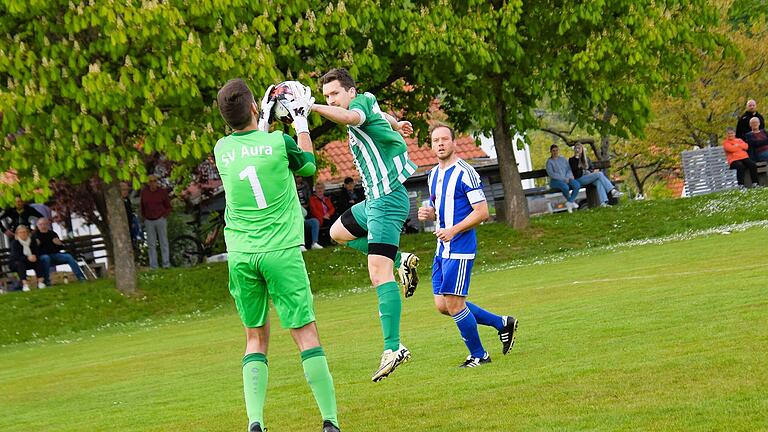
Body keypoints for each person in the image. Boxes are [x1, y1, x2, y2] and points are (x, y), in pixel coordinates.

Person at [216, 78, 339, 432]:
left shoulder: (221, 148)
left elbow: (252, 145)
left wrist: (263, 117)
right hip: (280, 251)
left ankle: (255, 422)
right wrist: (300, 121)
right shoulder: (280, 143)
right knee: (305, 333)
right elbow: (308, 166)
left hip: (242, 255)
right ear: (254, 108)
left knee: (255, 337)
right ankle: (329, 421)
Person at [312, 68, 420, 382]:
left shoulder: (356, 109)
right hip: (374, 203)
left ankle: (394, 347)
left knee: (377, 272)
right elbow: (381, 114)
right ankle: (402, 260)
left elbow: (351, 118)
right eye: (326, 96)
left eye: (334, 94)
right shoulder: (369, 100)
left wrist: (313, 108)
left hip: (386, 201)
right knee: (337, 233)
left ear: (351, 92)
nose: (331, 99)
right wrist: (396, 123)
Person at [418, 124, 519, 367]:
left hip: (460, 247)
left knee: (454, 304)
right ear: (431, 146)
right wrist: (429, 214)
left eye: (444, 139)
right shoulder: (433, 175)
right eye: (435, 140)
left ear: (454, 142)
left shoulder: (466, 173)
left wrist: (453, 230)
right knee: (443, 305)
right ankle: (501, 323)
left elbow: (482, 212)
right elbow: (442, 211)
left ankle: (479, 355)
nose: (440, 143)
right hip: (442, 248)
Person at [32, 217, 86, 286]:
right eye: (40, 224)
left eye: (45, 224)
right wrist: (36, 245)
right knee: (46, 258)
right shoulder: (35, 235)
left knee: (68, 256)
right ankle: (46, 282)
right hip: (42, 257)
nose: (43, 226)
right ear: (37, 225)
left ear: (48, 225)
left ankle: (81, 278)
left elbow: (61, 247)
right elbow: (33, 250)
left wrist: (59, 244)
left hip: (55, 255)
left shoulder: (52, 234)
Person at [140, 174, 172, 269]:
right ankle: (154, 266)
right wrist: (144, 217)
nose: (153, 183)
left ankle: (166, 264)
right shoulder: (144, 193)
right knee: (151, 244)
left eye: (154, 181)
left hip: (160, 219)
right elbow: (142, 206)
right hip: (149, 220)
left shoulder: (162, 192)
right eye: (150, 181)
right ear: (148, 183)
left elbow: (168, 206)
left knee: (164, 242)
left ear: (157, 182)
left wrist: (164, 215)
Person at [546, 144, 580, 212]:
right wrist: (563, 179)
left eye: (556, 150)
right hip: (555, 181)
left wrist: (567, 177)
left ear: (558, 151)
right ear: (551, 151)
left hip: (567, 178)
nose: (555, 152)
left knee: (577, 185)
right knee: (565, 187)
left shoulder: (563, 159)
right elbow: (551, 174)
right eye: (553, 151)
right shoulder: (549, 162)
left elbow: (569, 169)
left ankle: (569, 202)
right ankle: (571, 202)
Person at [9, 225, 42, 291]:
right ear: (17, 234)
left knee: (38, 261)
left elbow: (37, 252)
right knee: (21, 264)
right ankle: (25, 285)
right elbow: (16, 256)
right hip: (16, 263)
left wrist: (35, 256)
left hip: (29, 261)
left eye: (24, 232)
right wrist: (28, 258)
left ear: (27, 233)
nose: (23, 234)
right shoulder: (15, 243)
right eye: (20, 232)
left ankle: (40, 282)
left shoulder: (32, 241)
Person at [296, 177, 323, 251]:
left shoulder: (305, 186)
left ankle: (314, 243)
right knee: (297, 223)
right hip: (295, 223)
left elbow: (305, 213)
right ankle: (301, 245)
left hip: (303, 221)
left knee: (314, 221)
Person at [121, 182, 143, 247]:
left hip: (131, 222)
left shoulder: (127, 199)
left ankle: (138, 239)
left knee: (136, 221)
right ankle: (137, 238)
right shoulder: (120, 202)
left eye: (127, 190)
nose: (126, 192)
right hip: (125, 224)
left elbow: (130, 211)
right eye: (124, 190)